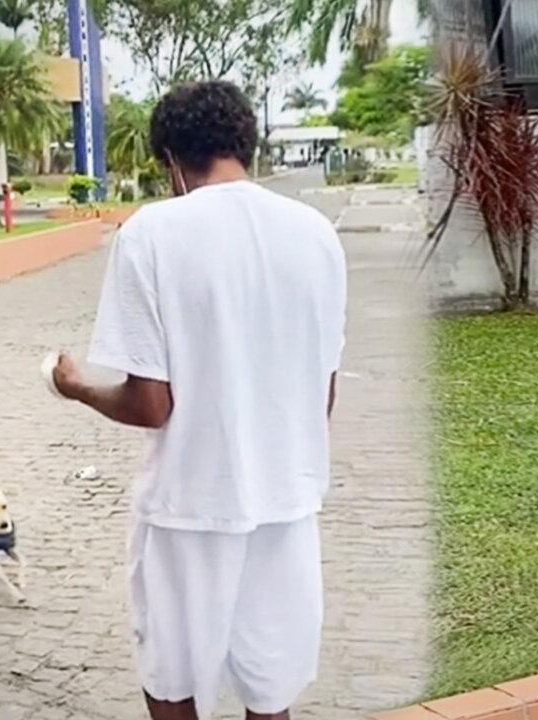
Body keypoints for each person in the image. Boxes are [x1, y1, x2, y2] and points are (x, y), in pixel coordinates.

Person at [48, 80, 347, 720]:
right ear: (246, 143)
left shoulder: (151, 234)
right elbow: (322, 392)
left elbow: (150, 404)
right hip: (285, 505)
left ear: (171, 159)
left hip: (187, 510)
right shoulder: (317, 234)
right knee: (271, 692)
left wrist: (76, 387)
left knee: (172, 681)